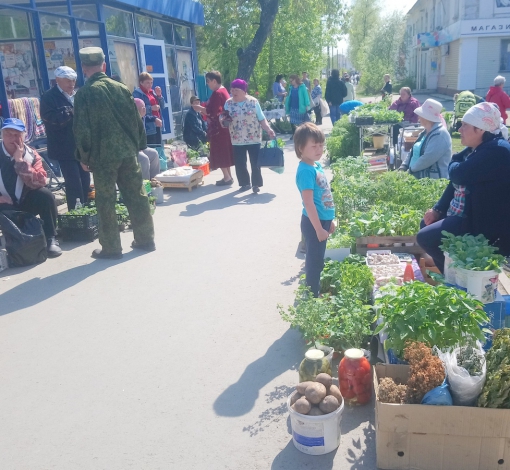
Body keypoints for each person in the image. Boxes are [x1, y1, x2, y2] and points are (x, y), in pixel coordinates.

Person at [73, 47, 155, 259]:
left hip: (103, 158)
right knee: (136, 195)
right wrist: (139, 144)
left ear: (83, 68)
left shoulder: (84, 94)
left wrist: (83, 156)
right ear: (104, 66)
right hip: (127, 152)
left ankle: (111, 247)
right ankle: (146, 239)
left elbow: (82, 128)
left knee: (106, 200)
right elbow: (136, 119)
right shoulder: (121, 88)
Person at [416, 102, 510, 272]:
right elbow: (455, 180)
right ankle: (454, 275)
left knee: (426, 238)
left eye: (465, 125)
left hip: (482, 224)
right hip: (467, 214)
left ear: (480, 129)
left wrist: (454, 162)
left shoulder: (498, 151)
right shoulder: (478, 148)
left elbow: (457, 174)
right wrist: (437, 209)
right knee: (427, 223)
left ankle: (458, 277)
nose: (459, 129)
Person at [0, 118, 61, 257]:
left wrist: (20, 162)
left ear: (23, 136)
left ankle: (51, 238)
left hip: (24, 200)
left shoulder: (32, 154)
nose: (12, 138)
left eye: (16, 134)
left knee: (46, 196)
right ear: (2, 135)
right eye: (8, 134)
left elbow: (40, 182)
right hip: (3, 204)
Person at [40, 66, 90, 212]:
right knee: (74, 183)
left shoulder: (77, 95)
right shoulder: (49, 97)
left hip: (80, 147)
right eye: (67, 80)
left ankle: (86, 210)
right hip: (64, 148)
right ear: (58, 80)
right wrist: (70, 112)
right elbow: (50, 120)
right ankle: (76, 213)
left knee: (85, 180)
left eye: (73, 80)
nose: (71, 83)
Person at [294, 122, 335, 296]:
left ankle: (313, 290)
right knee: (314, 261)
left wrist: (329, 220)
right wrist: (319, 228)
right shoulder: (305, 171)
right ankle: (312, 296)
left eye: (321, 145)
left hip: (322, 220)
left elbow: (323, 195)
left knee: (318, 258)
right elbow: (309, 203)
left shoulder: (315, 165)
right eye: (314, 146)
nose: (319, 150)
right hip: (313, 224)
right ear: (300, 148)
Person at [224, 79, 276, 193]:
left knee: (255, 162)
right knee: (240, 163)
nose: (233, 92)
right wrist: (222, 120)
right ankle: (244, 183)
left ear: (244, 91)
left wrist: (268, 129)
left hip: (254, 137)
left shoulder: (253, 102)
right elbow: (224, 118)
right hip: (237, 139)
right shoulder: (228, 103)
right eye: (232, 90)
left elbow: (261, 118)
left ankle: (256, 184)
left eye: (236, 90)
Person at [192, 71, 234, 186]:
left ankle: (226, 177)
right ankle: (228, 176)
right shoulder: (224, 90)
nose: (208, 84)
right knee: (225, 152)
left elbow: (211, 112)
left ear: (214, 81)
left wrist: (199, 108)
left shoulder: (217, 93)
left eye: (208, 81)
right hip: (224, 127)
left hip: (217, 129)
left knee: (220, 153)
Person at [399, 99, 451, 179]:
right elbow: (413, 151)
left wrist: (410, 171)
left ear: (427, 117)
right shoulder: (425, 132)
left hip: (433, 182)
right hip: (417, 177)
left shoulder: (440, 134)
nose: (418, 117)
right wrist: (404, 166)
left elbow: (427, 159)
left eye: (421, 115)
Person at [133, 72, 165, 145]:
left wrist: (159, 96)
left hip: (157, 124)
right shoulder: (137, 94)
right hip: (148, 127)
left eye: (151, 83)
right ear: (141, 82)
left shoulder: (152, 93)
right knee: (152, 146)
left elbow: (163, 106)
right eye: (147, 83)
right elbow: (137, 109)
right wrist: (151, 108)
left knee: (159, 147)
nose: (150, 85)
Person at [133, 98, 161, 180]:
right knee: (144, 159)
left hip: (139, 147)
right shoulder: (130, 120)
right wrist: (138, 148)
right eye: (142, 108)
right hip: (130, 149)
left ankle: (154, 181)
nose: (144, 109)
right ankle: (145, 186)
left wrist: (155, 118)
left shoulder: (141, 118)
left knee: (154, 154)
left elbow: (148, 117)